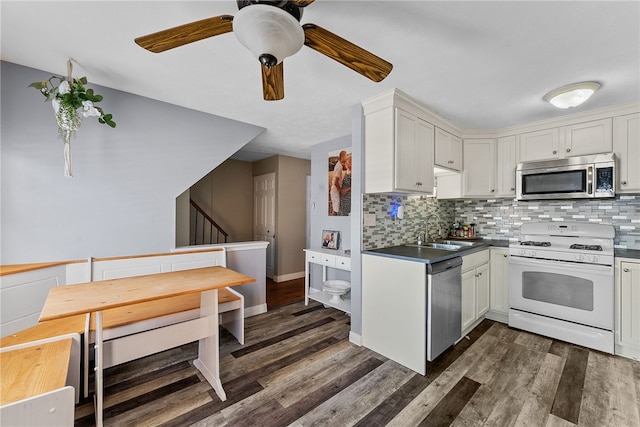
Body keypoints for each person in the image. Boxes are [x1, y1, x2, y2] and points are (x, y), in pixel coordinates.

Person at [330, 151, 347, 215]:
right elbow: (336, 181)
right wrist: (341, 191)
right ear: (342, 157)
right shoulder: (339, 166)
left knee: (335, 210)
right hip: (335, 191)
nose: (346, 158)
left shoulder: (338, 164)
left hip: (334, 190)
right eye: (346, 156)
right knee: (335, 211)